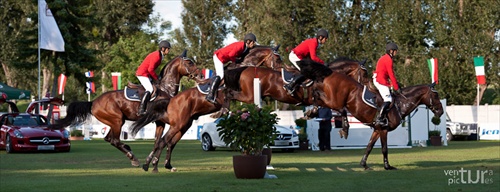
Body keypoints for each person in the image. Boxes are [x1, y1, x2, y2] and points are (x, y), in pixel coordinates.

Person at [206, 33, 257, 104]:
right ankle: (210, 95)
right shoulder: (241, 45)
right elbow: (231, 55)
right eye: (253, 42)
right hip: (219, 57)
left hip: (223, 59)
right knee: (220, 75)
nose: (253, 44)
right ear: (248, 41)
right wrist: (235, 60)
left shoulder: (245, 48)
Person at [284, 29, 329, 95]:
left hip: (300, 56)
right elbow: (313, 57)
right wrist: (323, 63)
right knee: (306, 71)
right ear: (320, 37)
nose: (326, 40)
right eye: (326, 38)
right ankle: (289, 86)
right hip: (295, 56)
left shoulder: (315, 42)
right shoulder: (314, 42)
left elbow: (310, 56)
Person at [135, 40, 171, 115]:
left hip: (146, 74)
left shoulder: (160, 56)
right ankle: (141, 109)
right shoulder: (157, 56)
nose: (169, 50)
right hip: (142, 73)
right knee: (150, 89)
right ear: (163, 49)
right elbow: (150, 69)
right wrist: (156, 78)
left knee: (156, 87)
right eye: (168, 49)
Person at [373, 42, 400, 126]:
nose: (396, 52)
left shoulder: (384, 58)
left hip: (380, 79)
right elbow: (391, 74)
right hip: (380, 80)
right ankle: (379, 118)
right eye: (395, 51)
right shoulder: (388, 59)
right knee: (388, 100)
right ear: (391, 51)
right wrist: (396, 87)